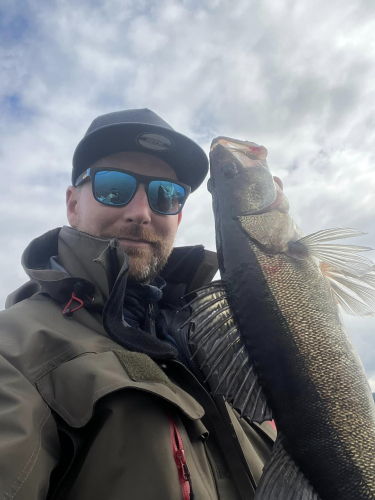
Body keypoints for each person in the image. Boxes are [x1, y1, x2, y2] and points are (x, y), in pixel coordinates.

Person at [0, 109, 276, 500]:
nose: (141, 213)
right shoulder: (12, 348)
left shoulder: (222, 349)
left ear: (178, 215)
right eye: (113, 188)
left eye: (167, 194)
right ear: (73, 203)